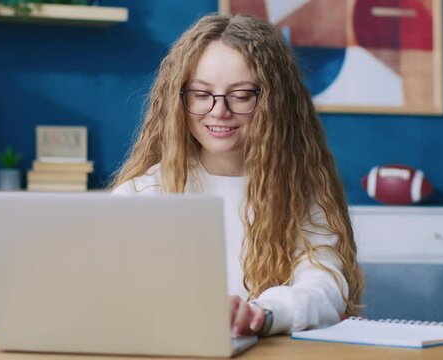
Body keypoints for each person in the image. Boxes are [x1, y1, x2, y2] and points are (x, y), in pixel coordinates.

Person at [110, 13, 363, 337]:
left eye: (242, 95)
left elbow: (324, 286)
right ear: (179, 100)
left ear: (275, 102)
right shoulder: (140, 196)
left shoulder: (302, 195)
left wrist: (262, 314)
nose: (219, 110)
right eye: (201, 94)